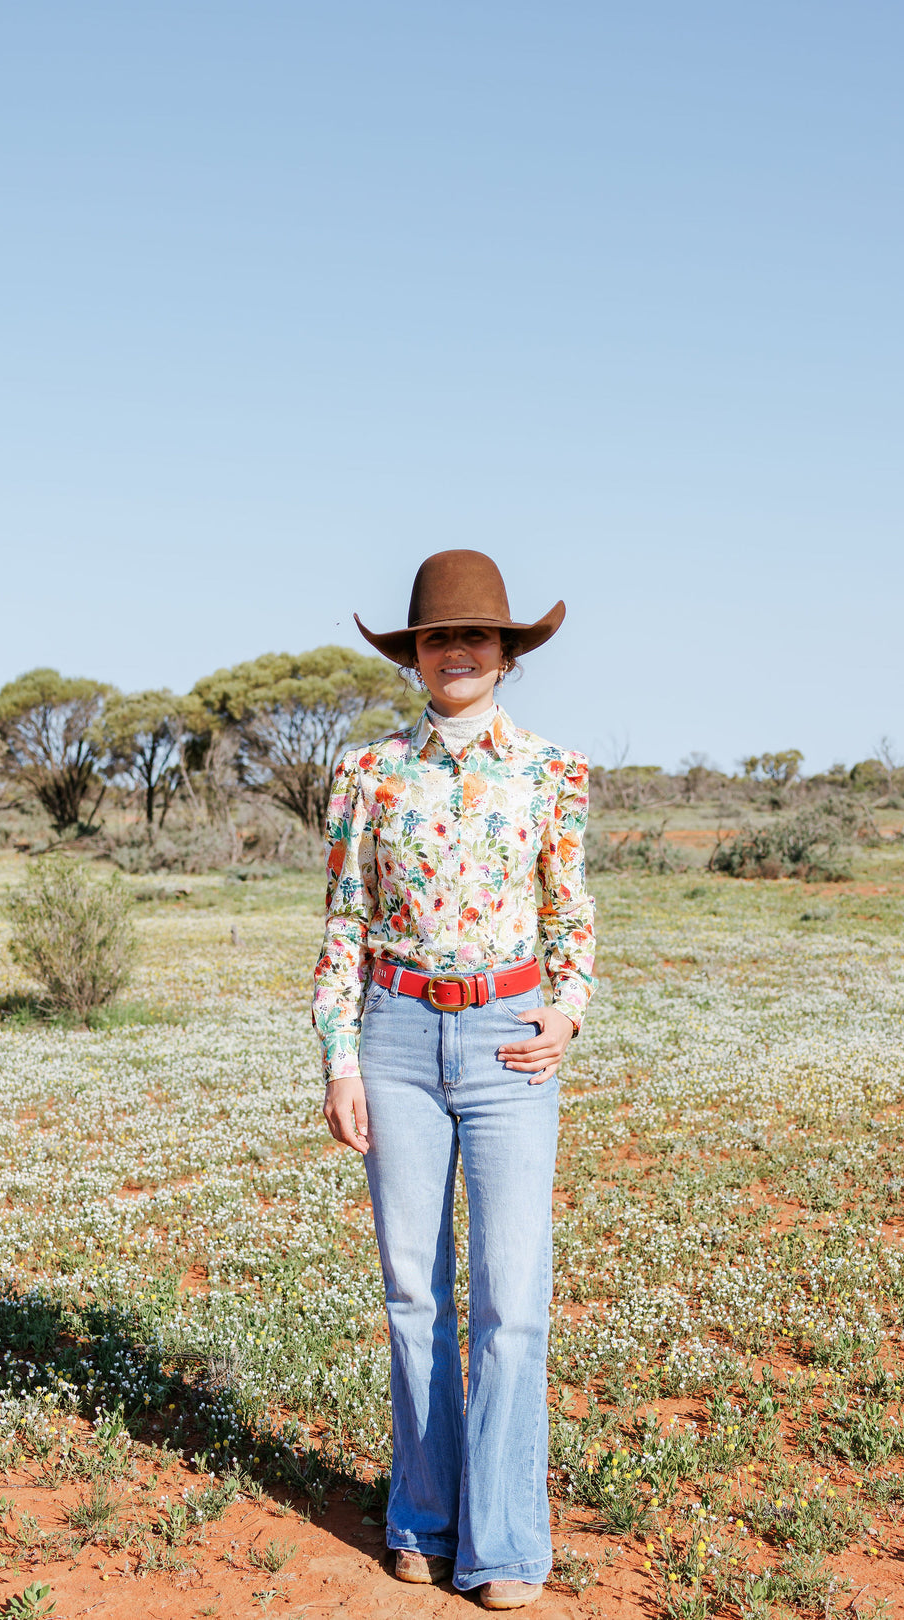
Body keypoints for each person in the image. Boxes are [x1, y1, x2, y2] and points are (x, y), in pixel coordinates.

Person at [312, 550, 595, 1610]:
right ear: (415, 656)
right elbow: (344, 920)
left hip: (511, 1039)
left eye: (477, 636)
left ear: (507, 654)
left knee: (511, 1300)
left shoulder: (554, 772)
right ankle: (422, 1520)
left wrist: (568, 1008)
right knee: (414, 1292)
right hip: (394, 1036)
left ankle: (507, 1544)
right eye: (438, 637)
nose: (457, 652)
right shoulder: (367, 772)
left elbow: (570, 911)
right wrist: (341, 1057)